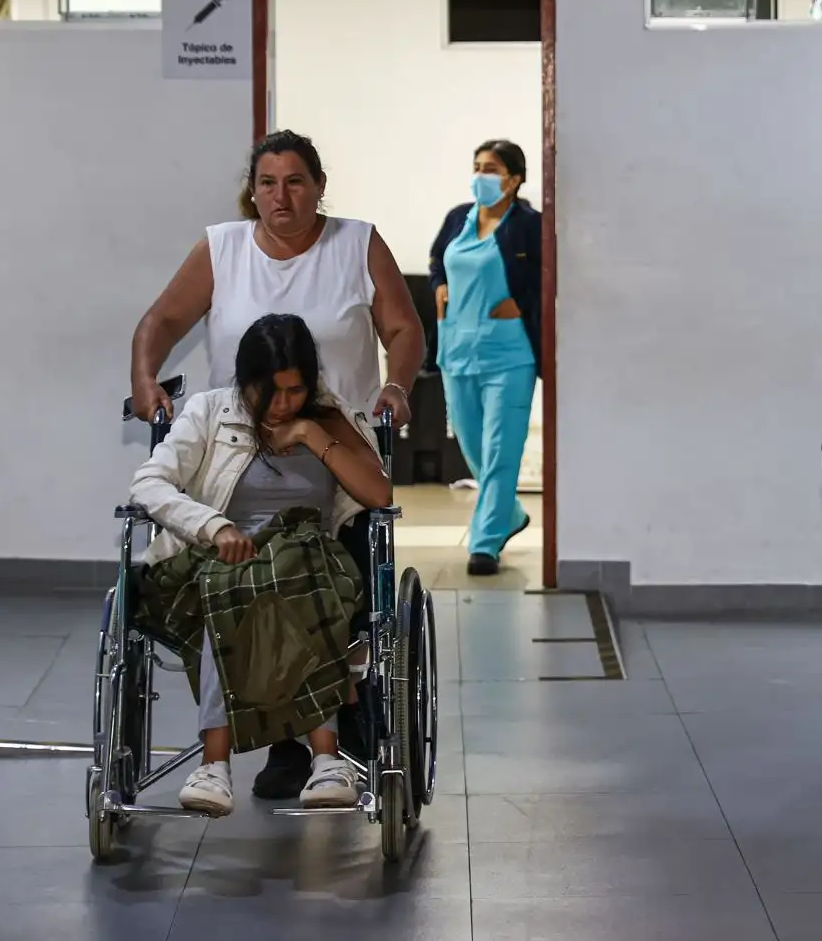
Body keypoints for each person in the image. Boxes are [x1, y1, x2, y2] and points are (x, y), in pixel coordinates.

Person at [128, 129, 425, 800]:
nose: (281, 196)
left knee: (310, 569)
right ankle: (287, 743)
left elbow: (403, 329)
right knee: (247, 578)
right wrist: (146, 380)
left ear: (319, 185)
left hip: (331, 450)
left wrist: (395, 387)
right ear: (251, 189)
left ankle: (322, 726)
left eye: (295, 181)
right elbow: (161, 320)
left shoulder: (355, 243)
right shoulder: (223, 247)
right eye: (268, 183)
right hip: (233, 458)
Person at [129, 314, 394, 817]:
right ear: (243, 380)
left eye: (294, 391)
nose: (280, 404)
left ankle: (326, 762)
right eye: (266, 391)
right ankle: (217, 765)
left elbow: (378, 493)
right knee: (236, 585)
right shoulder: (211, 412)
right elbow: (148, 483)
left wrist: (313, 436)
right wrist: (213, 526)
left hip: (307, 559)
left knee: (298, 568)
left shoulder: (332, 417)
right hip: (221, 559)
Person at [427, 139, 543, 577]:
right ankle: (508, 512)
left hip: (509, 353)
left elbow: (550, 273)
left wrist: (523, 302)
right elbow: (438, 260)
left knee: (500, 449)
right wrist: (438, 286)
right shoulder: (459, 217)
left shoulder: (529, 224)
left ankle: (485, 541)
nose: (481, 176)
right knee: (472, 445)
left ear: (514, 179)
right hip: (456, 349)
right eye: (477, 166)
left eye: (491, 168)